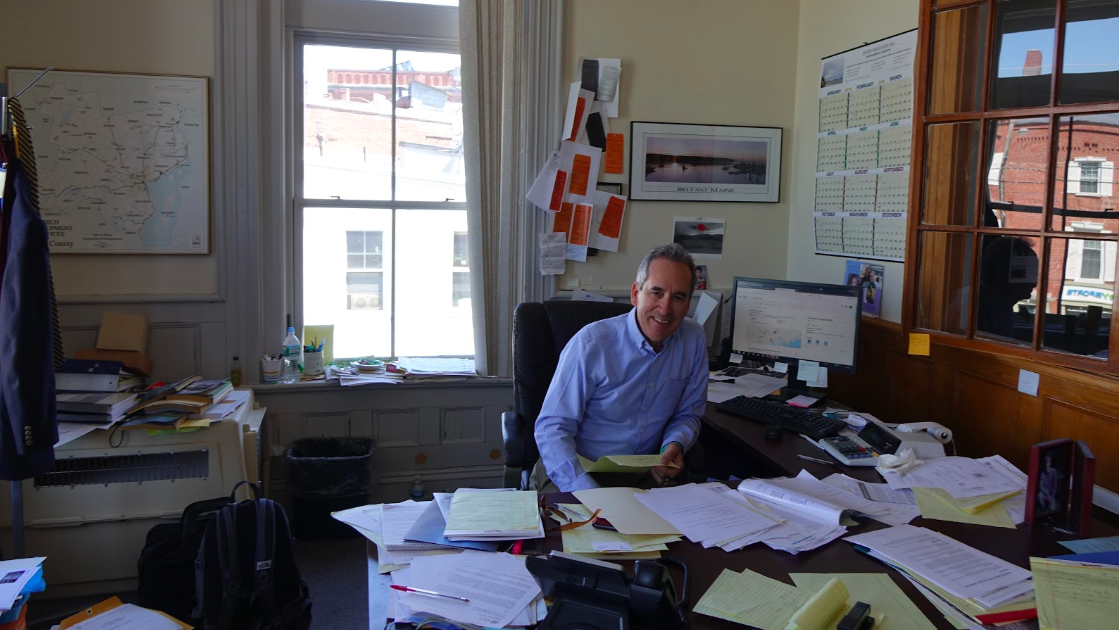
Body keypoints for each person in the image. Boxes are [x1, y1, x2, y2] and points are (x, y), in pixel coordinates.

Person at [532, 243, 709, 492]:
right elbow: (552, 429)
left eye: (678, 297)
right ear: (636, 294)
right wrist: (589, 493)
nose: (665, 309)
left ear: (688, 304)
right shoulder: (591, 344)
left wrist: (674, 444)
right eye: (656, 293)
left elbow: (687, 415)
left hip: (645, 475)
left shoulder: (693, 339)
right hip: (574, 472)